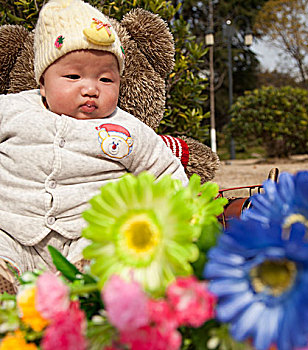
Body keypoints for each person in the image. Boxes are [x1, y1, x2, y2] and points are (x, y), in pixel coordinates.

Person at [0, 0, 188, 293]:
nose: (90, 88)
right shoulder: (12, 109)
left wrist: (183, 214)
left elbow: (163, 169)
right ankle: (6, 279)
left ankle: (87, 280)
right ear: (42, 82)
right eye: (73, 76)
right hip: (12, 229)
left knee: (109, 243)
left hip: (86, 234)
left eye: (106, 79)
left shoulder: (127, 127)